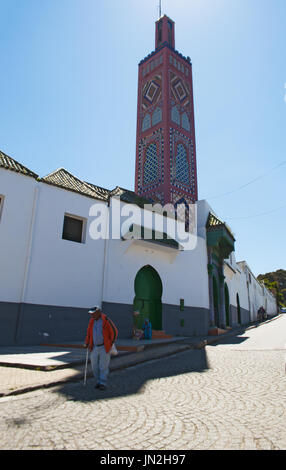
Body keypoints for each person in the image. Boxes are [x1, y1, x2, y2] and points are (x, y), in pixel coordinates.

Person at [84, 306, 118, 390]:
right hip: (94, 346)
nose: (91, 316)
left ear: (98, 313)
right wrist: (87, 342)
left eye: (93, 314)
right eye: (91, 314)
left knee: (103, 366)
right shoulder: (92, 321)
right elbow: (89, 332)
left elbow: (114, 331)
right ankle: (98, 381)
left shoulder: (106, 320)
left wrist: (110, 343)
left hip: (104, 346)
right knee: (94, 366)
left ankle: (103, 383)